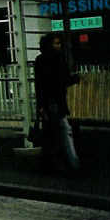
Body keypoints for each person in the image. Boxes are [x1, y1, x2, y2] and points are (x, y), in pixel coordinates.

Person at [34, 33, 80, 172]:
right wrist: (75, 79)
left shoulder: (40, 60)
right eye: (56, 43)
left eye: (59, 43)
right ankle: (73, 164)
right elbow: (62, 80)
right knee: (65, 131)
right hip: (56, 101)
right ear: (49, 45)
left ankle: (49, 164)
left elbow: (39, 84)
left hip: (50, 101)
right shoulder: (58, 59)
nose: (58, 46)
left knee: (52, 133)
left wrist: (40, 105)